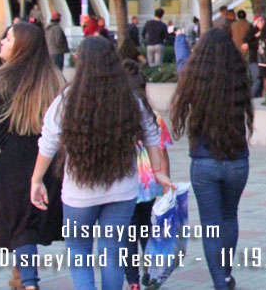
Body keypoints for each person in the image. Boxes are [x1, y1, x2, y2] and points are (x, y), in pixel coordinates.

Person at [30, 36, 172, 290]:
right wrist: (158, 171)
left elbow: (48, 141)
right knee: (112, 252)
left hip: (79, 192)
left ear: (80, 62)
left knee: (79, 250)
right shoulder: (129, 98)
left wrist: (36, 179)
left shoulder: (67, 100)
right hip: (123, 190)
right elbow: (152, 132)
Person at [170, 29, 254, 290]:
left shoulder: (194, 78)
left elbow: (182, 63)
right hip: (237, 160)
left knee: (211, 225)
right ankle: (226, 275)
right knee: (229, 217)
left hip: (204, 162)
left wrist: (179, 40)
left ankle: (220, 282)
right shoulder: (239, 76)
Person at [0, 23, 64, 290]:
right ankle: (21, 278)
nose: (2, 43)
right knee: (29, 223)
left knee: (19, 227)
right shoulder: (54, 79)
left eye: (8, 39)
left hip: (10, 161)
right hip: (47, 158)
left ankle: (28, 282)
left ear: (22, 46)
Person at [122, 61, 172, 290]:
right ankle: (151, 272)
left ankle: (132, 281)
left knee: (127, 236)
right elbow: (162, 153)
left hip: (127, 186)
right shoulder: (155, 117)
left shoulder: (119, 118)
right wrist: (165, 183)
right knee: (148, 231)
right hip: (150, 184)